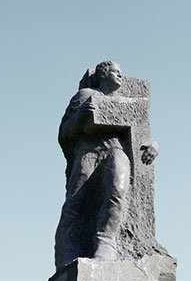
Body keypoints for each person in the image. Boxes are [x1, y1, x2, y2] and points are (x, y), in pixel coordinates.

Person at [54, 61, 159, 268]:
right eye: (115, 71)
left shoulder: (129, 104)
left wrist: (154, 146)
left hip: (115, 150)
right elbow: (63, 133)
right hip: (89, 151)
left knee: (118, 189)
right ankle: (66, 250)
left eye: (121, 72)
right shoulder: (84, 96)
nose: (120, 75)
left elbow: (144, 135)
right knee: (76, 200)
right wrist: (81, 116)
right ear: (103, 74)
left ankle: (106, 242)